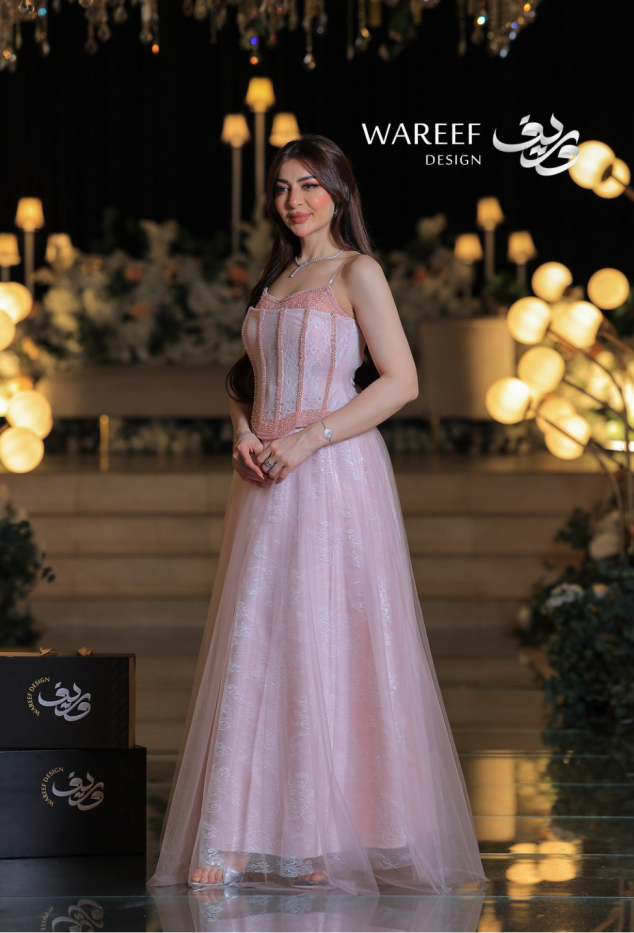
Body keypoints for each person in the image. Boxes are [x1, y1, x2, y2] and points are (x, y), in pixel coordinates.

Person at [146, 134, 488, 897]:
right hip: (266, 476)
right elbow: (246, 378)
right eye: (282, 187)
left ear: (339, 192)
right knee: (261, 639)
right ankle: (241, 831)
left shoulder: (357, 271)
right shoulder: (279, 276)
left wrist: (309, 438)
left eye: (309, 185)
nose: (294, 200)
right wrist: (243, 431)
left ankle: (328, 835)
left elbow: (401, 382)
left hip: (331, 473)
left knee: (325, 640)